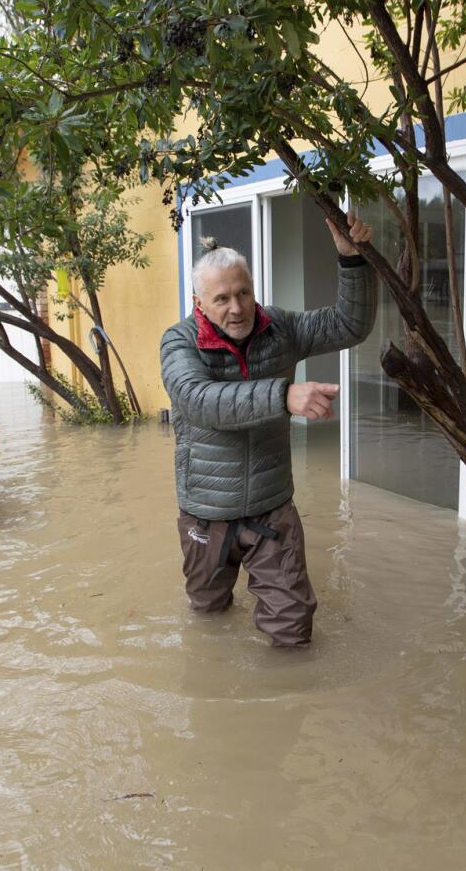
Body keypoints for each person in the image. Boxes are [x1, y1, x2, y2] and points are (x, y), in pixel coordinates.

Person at [160, 215, 376, 647]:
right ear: (198, 302)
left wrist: (352, 261)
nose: (236, 307)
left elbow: (349, 326)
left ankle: (290, 706)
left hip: (271, 506)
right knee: (208, 616)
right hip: (206, 511)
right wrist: (284, 396)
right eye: (221, 298)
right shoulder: (179, 342)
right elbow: (196, 399)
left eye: (243, 293)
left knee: (293, 628)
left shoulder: (280, 328)